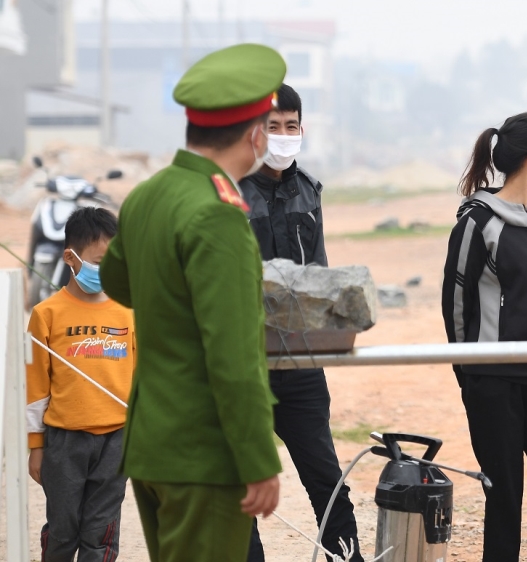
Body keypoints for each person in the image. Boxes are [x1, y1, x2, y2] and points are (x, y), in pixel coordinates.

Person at [99, 43, 285, 562]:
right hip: (204, 453)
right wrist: (257, 458)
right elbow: (232, 356)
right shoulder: (217, 212)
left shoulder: (148, 194)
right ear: (254, 133)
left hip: (154, 442)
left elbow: (118, 283)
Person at [441, 112, 527, 562]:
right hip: (495, 383)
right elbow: (456, 306)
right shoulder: (478, 222)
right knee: (504, 498)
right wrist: (472, 376)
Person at [240, 83, 362, 562]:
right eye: (274, 127)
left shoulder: (309, 191)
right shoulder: (229, 192)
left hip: (300, 366)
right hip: (244, 367)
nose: (284, 136)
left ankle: (346, 557)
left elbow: (320, 274)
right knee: (239, 491)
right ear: (254, 132)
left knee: (327, 481)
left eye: (291, 127)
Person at [26, 207, 135, 562]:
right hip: (63, 443)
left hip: (116, 441)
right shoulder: (47, 314)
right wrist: (36, 446)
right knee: (63, 529)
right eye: (99, 260)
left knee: (101, 531)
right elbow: (36, 387)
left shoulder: (130, 312)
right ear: (71, 258)